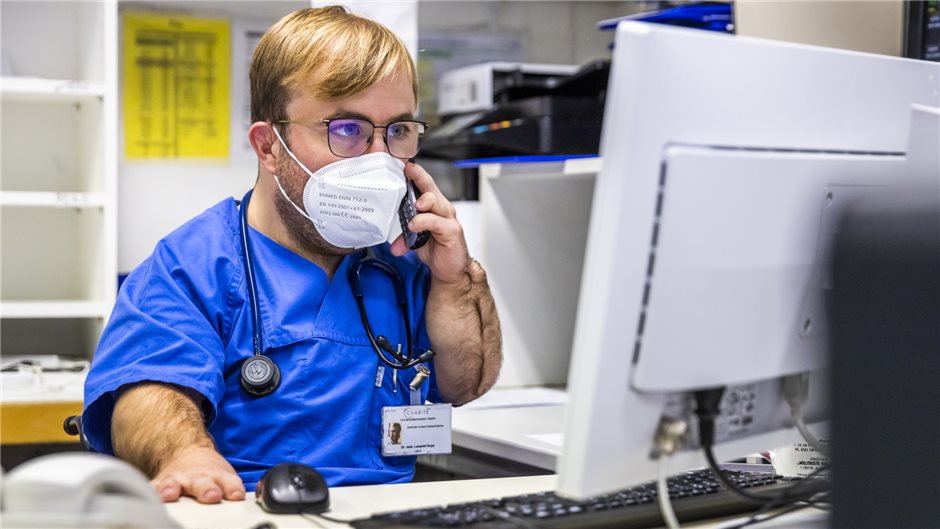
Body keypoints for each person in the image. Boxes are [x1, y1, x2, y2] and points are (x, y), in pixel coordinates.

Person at [81, 6, 502, 505]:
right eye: (347, 129)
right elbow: (148, 390)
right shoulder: (196, 263)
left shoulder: (407, 259)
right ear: (268, 145)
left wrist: (457, 282)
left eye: (397, 132)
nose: (379, 160)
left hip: (388, 511)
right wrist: (185, 453)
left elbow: (467, 383)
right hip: (240, 508)